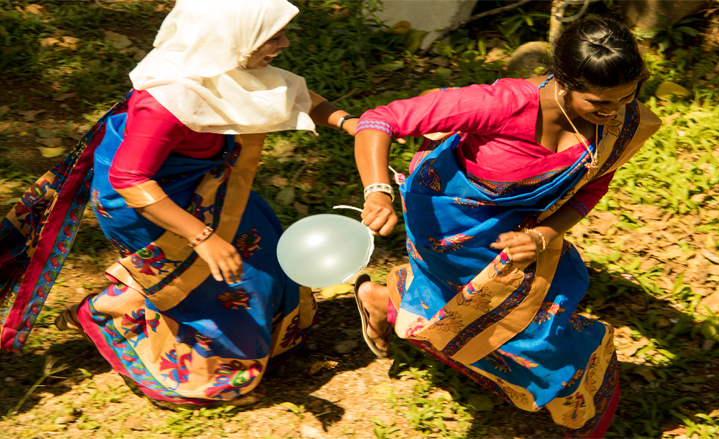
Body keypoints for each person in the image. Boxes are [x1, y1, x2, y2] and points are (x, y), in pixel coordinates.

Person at [0, 0, 361, 408]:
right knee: (223, 283)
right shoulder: (166, 102)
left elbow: (294, 96)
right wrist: (202, 236)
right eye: (272, 37)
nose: (284, 43)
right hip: (144, 201)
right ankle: (118, 320)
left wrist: (353, 124)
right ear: (233, 41)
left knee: (262, 255)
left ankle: (168, 311)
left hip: (204, 183)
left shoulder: (225, 67)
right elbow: (130, 179)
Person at [352, 17, 661, 438]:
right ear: (563, 82)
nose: (616, 113)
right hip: (448, 229)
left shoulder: (617, 121)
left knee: (516, 311)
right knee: (518, 330)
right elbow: (379, 120)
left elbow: (596, 181)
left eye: (628, 97)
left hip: (522, 230)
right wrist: (377, 192)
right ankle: (578, 404)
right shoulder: (501, 104)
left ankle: (385, 302)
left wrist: (546, 234)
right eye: (601, 103)